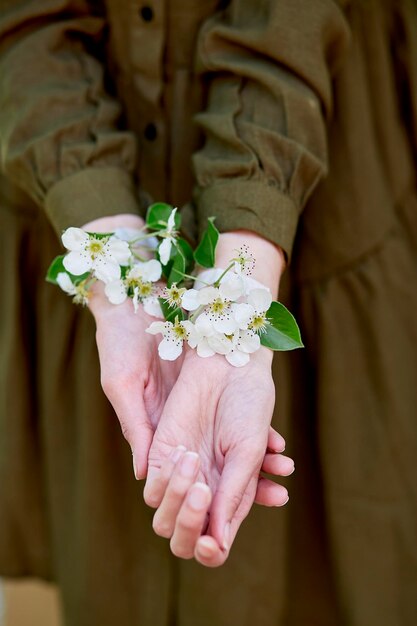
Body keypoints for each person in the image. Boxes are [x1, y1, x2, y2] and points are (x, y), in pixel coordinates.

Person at [0, 0, 416, 625]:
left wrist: (240, 280)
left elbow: (289, 26)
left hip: (323, 189)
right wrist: (112, 260)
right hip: (77, 218)